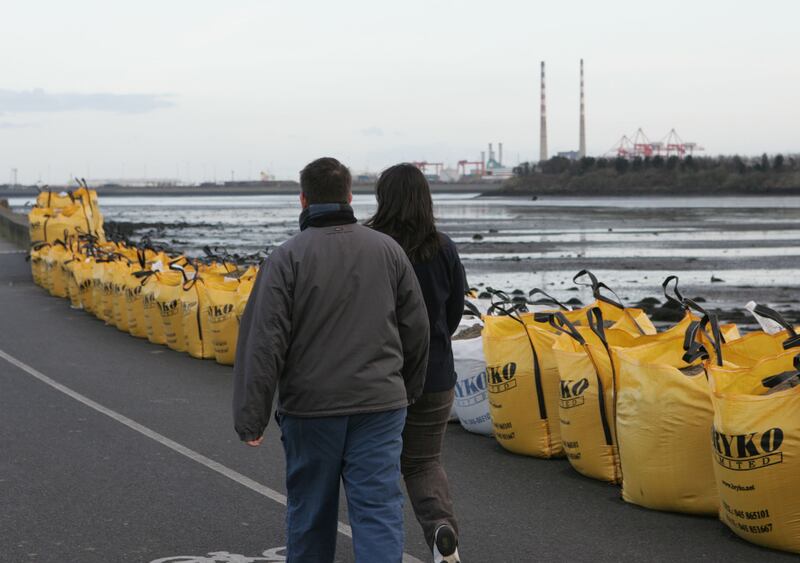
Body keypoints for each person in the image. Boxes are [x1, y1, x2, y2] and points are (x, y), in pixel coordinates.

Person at [232, 157, 430, 563]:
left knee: (311, 513)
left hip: (311, 408)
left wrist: (252, 416)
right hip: (380, 404)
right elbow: (417, 328)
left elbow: (263, 342)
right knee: (378, 510)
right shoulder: (388, 251)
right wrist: (407, 390)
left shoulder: (286, 258)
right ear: (350, 196)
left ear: (302, 199)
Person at [365, 163, 465, 563]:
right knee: (424, 462)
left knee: (375, 461)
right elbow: (454, 311)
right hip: (436, 374)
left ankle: (379, 544)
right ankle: (442, 530)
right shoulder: (443, 247)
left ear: (382, 198)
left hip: (380, 373)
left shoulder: (370, 245)